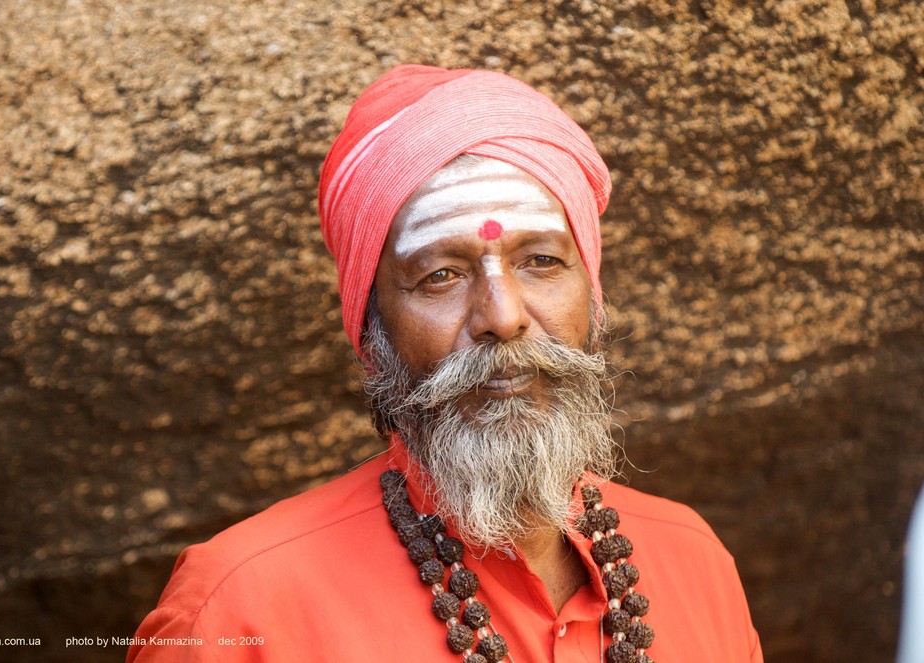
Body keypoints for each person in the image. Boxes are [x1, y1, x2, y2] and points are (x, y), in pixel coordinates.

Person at [128, 65, 763, 663]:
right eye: (441, 275)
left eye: (541, 262)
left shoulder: (695, 560)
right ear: (372, 328)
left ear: (593, 297)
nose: (503, 316)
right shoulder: (237, 608)